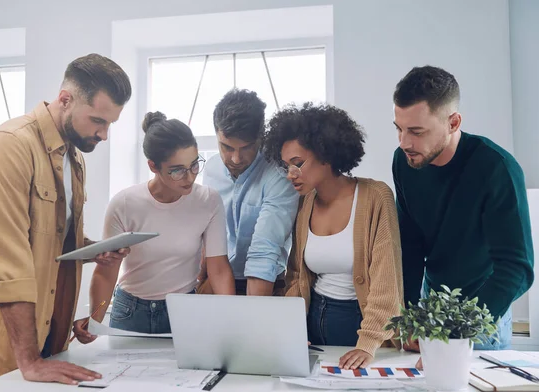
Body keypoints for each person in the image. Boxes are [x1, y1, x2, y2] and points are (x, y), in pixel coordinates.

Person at [0, 54, 133, 385]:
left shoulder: (74, 157)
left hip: (48, 328)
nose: (104, 135)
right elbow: (9, 261)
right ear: (65, 100)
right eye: (98, 121)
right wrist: (30, 359)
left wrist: (96, 249)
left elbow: (54, 240)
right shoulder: (10, 146)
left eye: (110, 124)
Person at [392, 65, 534, 357]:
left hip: (482, 316)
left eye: (416, 132)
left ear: (453, 122)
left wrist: (454, 334)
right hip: (429, 309)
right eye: (399, 128)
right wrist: (409, 317)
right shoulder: (405, 162)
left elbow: (517, 268)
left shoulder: (496, 168)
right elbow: (410, 245)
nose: (404, 142)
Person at [262, 102, 403, 369]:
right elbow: (296, 277)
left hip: (359, 325)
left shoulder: (376, 196)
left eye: (298, 164)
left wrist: (369, 342)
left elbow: (388, 280)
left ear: (326, 153)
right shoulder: (304, 204)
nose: (290, 174)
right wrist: (291, 331)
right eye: (286, 166)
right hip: (313, 321)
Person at [83, 111, 235, 335]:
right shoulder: (124, 204)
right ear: (153, 166)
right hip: (130, 312)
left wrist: (233, 321)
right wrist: (95, 320)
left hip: (184, 311)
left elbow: (219, 269)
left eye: (194, 165)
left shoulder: (208, 201)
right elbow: (107, 272)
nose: (190, 177)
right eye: (177, 171)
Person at [200, 89, 299, 296]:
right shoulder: (211, 169)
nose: (235, 159)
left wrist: (252, 316)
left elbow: (264, 251)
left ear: (261, 137)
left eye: (246, 148)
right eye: (226, 147)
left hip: (265, 284)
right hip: (215, 280)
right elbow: (205, 233)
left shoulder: (279, 175)